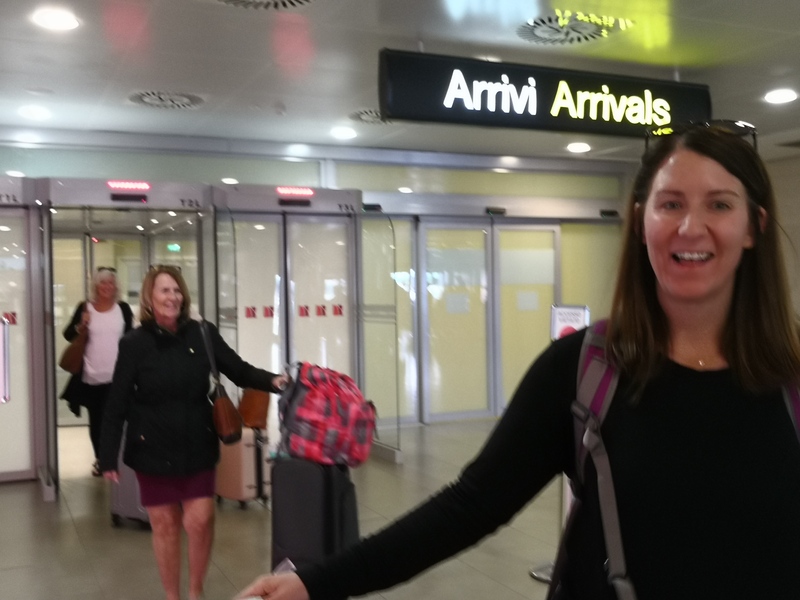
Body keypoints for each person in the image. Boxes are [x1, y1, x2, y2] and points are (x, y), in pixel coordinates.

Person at [236, 124, 800, 600]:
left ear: (754, 225)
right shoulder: (585, 370)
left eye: (719, 205)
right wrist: (316, 583)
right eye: (670, 203)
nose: (689, 227)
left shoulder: (791, 381)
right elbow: (471, 506)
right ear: (641, 220)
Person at [99, 265, 289, 600]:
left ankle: (195, 591)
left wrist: (273, 381)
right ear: (150, 297)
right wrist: (108, 455)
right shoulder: (134, 343)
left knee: (200, 520)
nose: (172, 297)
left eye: (176, 290)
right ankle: (173, 596)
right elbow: (117, 402)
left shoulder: (202, 333)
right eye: (164, 291)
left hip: (196, 443)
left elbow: (238, 369)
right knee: (165, 526)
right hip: (151, 447)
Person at [60, 267, 134, 476]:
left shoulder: (124, 309)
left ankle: (116, 459)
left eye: (111, 283)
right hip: (92, 375)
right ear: (96, 286)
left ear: (116, 286)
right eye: (103, 283)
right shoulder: (85, 308)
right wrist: (80, 326)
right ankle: (101, 460)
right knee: (98, 421)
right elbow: (67, 334)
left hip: (118, 375)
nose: (107, 287)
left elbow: (131, 339)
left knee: (118, 418)